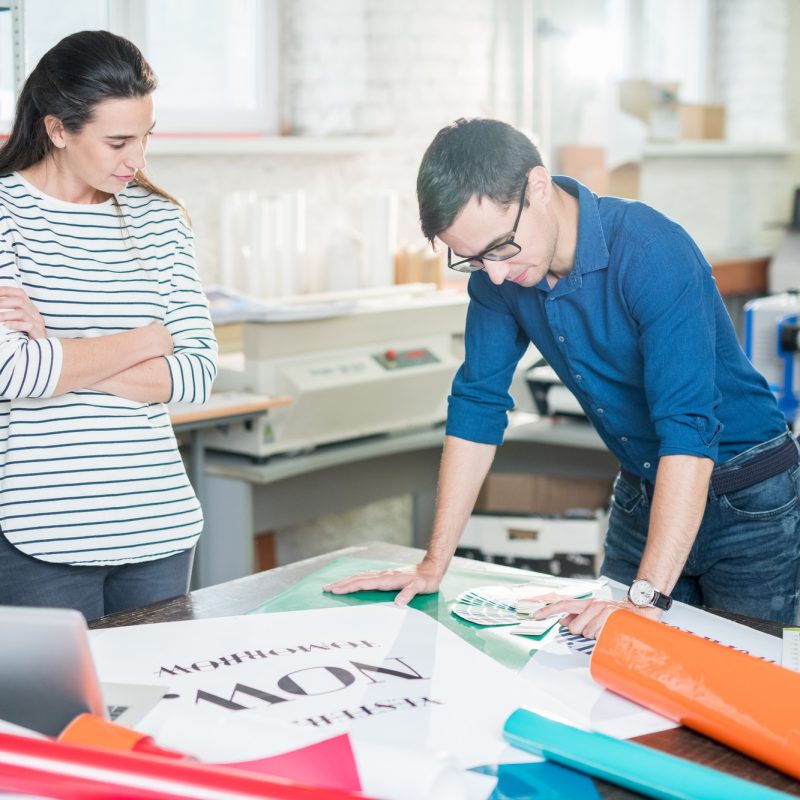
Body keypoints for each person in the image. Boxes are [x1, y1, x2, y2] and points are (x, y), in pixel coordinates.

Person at [325, 117, 800, 636]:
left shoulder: (651, 250)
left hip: (749, 500)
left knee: (741, 687)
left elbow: (688, 428)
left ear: (538, 187)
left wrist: (644, 599)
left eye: (501, 248)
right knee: (608, 675)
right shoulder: (497, 273)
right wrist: (434, 563)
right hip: (645, 489)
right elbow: (477, 403)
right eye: (473, 259)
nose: (497, 274)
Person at [0, 31, 217, 620]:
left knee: (161, 708)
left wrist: (60, 354)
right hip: (40, 532)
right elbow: (12, 371)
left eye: (146, 138)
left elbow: (197, 374)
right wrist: (148, 340)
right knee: (59, 714)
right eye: (118, 141)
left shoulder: (161, 219)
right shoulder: (6, 216)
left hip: (159, 525)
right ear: (56, 130)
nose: (137, 160)